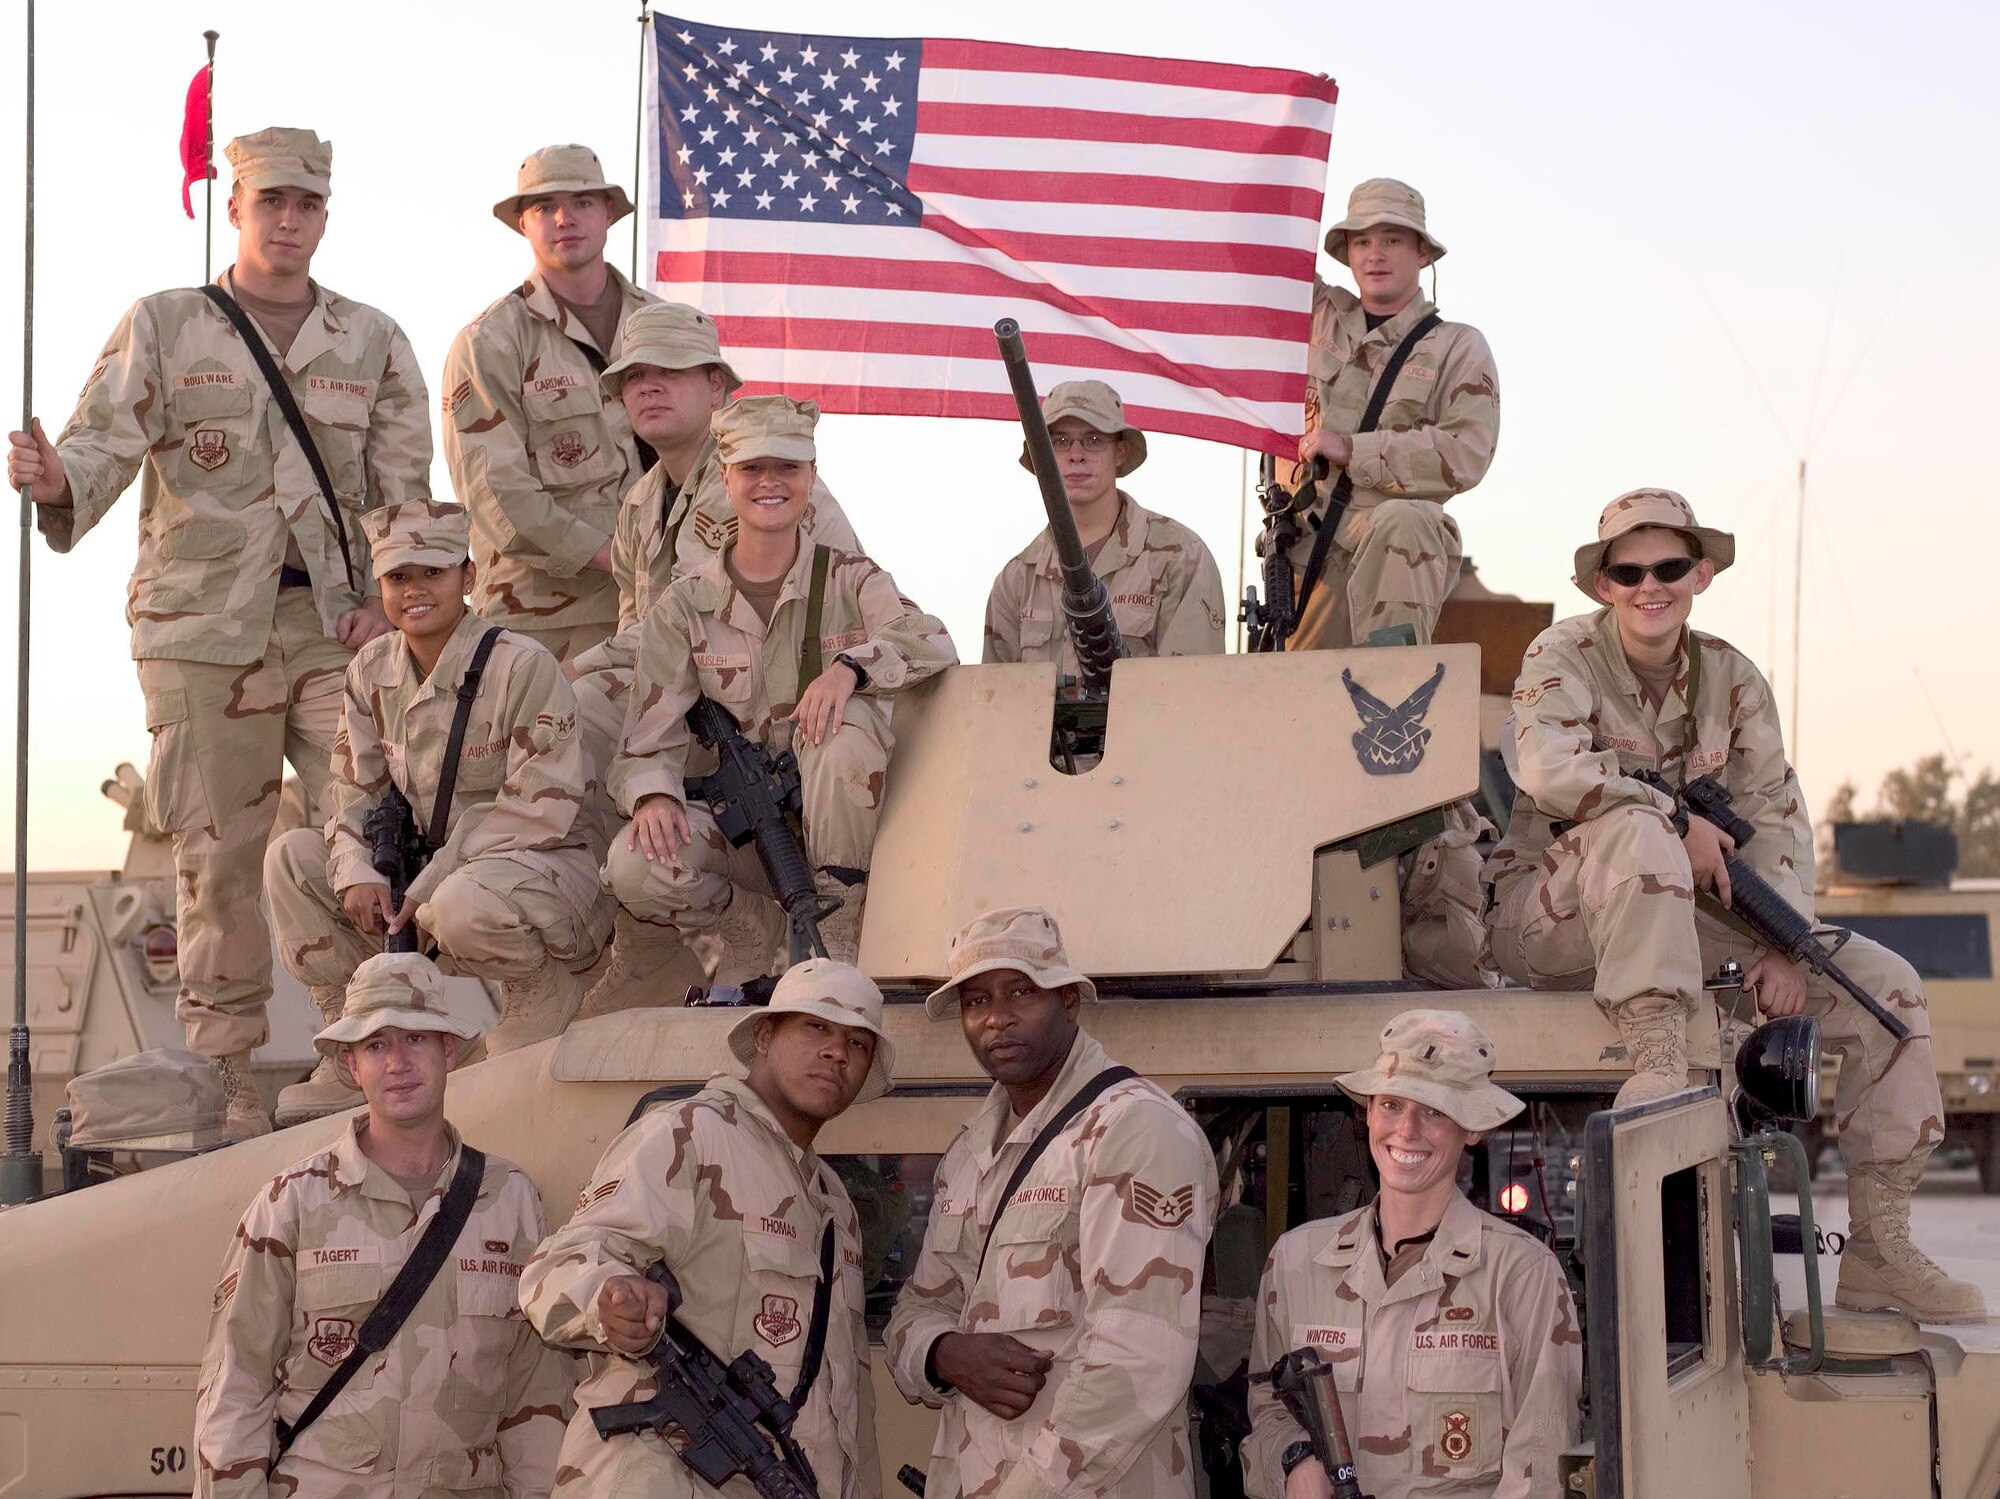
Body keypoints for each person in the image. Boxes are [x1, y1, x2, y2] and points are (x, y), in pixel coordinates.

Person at [5, 127, 431, 1136]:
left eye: (307, 203)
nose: (288, 218)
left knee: (370, 831)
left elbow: (404, 490)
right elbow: (99, 442)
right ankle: (229, 1071)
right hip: (201, 629)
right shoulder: (166, 324)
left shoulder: (370, 340)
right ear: (230, 207)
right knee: (215, 855)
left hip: (334, 625)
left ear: (326, 215)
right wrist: (57, 480)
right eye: (269, 199)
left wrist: (394, 593)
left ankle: (355, 1031)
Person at [1484, 488, 1985, 1324]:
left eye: (1670, 567)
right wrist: (1676, 819)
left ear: (1702, 574)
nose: (1651, 585)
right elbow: (1550, 772)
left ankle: (1878, 1248)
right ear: (1603, 583)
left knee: (1886, 988)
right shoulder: (1560, 655)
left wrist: (1783, 941)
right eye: (1629, 569)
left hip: (1692, 907)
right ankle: (1657, 1063)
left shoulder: (1733, 678)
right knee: (1643, 831)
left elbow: (1778, 820)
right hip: (1552, 910)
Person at [265, 500, 609, 1121]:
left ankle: (536, 995)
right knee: (292, 859)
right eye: (398, 577)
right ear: (381, 587)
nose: (415, 591)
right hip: (431, 883)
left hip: (539, 870)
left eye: (433, 572)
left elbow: (536, 811)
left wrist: (425, 887)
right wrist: (358, 871)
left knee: (462, 904)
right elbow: (351, 789)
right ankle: (362, 1026)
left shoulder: (520, 666)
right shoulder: (370, 670)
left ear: (468, 577)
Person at [563, 303, 861, 1015]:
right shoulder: (643, 501)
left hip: (793, 723)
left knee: (574, 703)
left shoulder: (756, 479)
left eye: (670, 372)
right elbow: (647, 636)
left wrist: (570, 670)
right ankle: (659, 941)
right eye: (634, 377)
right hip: (709, 719)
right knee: (575, 718)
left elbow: (680, 635)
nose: (648, 388)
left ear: (716, 386)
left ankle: (652, 945)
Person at [192, 952, 574, 1496]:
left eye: (416, 1039)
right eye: (376, 1045)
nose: (397, 1062)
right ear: (353, 1067)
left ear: (449, 1052)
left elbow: (536, 1394)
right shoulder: (292, 1204)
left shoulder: (509, 1199)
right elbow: (235, 1388)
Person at [604, 395, 956, 973]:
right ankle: (748, 925)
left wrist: (851, 669)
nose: (770, 483)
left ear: (811, 477)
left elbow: (932, 640)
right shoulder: (685, 607)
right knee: (635, 862)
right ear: (726, 478)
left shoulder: (850, 579)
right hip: (748, 833)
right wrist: (653, 794)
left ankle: (839, 923)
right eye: (751, 469)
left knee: (841, 731)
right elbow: (646, 738)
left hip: (845, 822)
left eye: (788, 467)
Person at [518, 958, 891, 1497]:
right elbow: (562, 1261)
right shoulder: (688, 1134)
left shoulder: (834, 1200)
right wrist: (607, 1298)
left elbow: (848, 1395)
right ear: (764, 1035)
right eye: (817, 1027)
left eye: (858, 1044)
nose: (837, 1052)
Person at [885, 906, 1218, 1499]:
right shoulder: (971, 1153)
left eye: (1021, 991)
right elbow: (916, 1308)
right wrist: (944, 1353)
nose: (997, 1019)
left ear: (1068, 1000)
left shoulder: (1133, 1129)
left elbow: (1140, 1354)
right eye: (975, 1001)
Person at [1241, 1010, 1581, 1499]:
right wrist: (1294, 1463)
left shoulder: (1522, 1276)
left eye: (1435, 1111)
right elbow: (1268, 1410)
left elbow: (1541, 1472)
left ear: (1473, 1129)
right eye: (1393, 1105)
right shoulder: (1297, 1263)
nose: (1407, 1130)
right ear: (1369, 1112)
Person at [442, 145, 656, 665]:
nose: (565, 218)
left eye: (582, 201)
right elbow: (497, 498)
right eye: (544, 206)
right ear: (522, 223)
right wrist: (620, 558)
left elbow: (722, 462)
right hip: (543, 627)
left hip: (669, 612)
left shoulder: (666, 328)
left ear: (609, 213)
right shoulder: (489, 343)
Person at [1287, 177, 1498, 653]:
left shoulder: (1456, 346)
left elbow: (1467, 453)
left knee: (1377, 703)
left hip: (1392, 549)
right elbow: (1256, 254)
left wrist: (1353, 450)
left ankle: (1392, 686)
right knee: (1295, 707)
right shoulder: (1314, 314)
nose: (1374, 254)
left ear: (1422, 252)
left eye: (1392, 240)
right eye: (1361, 241)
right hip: (1303, 547)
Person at [983, 380, 1226, 672]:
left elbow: (1192, 693)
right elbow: (996, 702)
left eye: (1094, 440)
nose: (1076, 454)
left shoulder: (1180, 558)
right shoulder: (1017, 580)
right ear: (1042, 456)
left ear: (1120, 453)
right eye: (1059, 442)